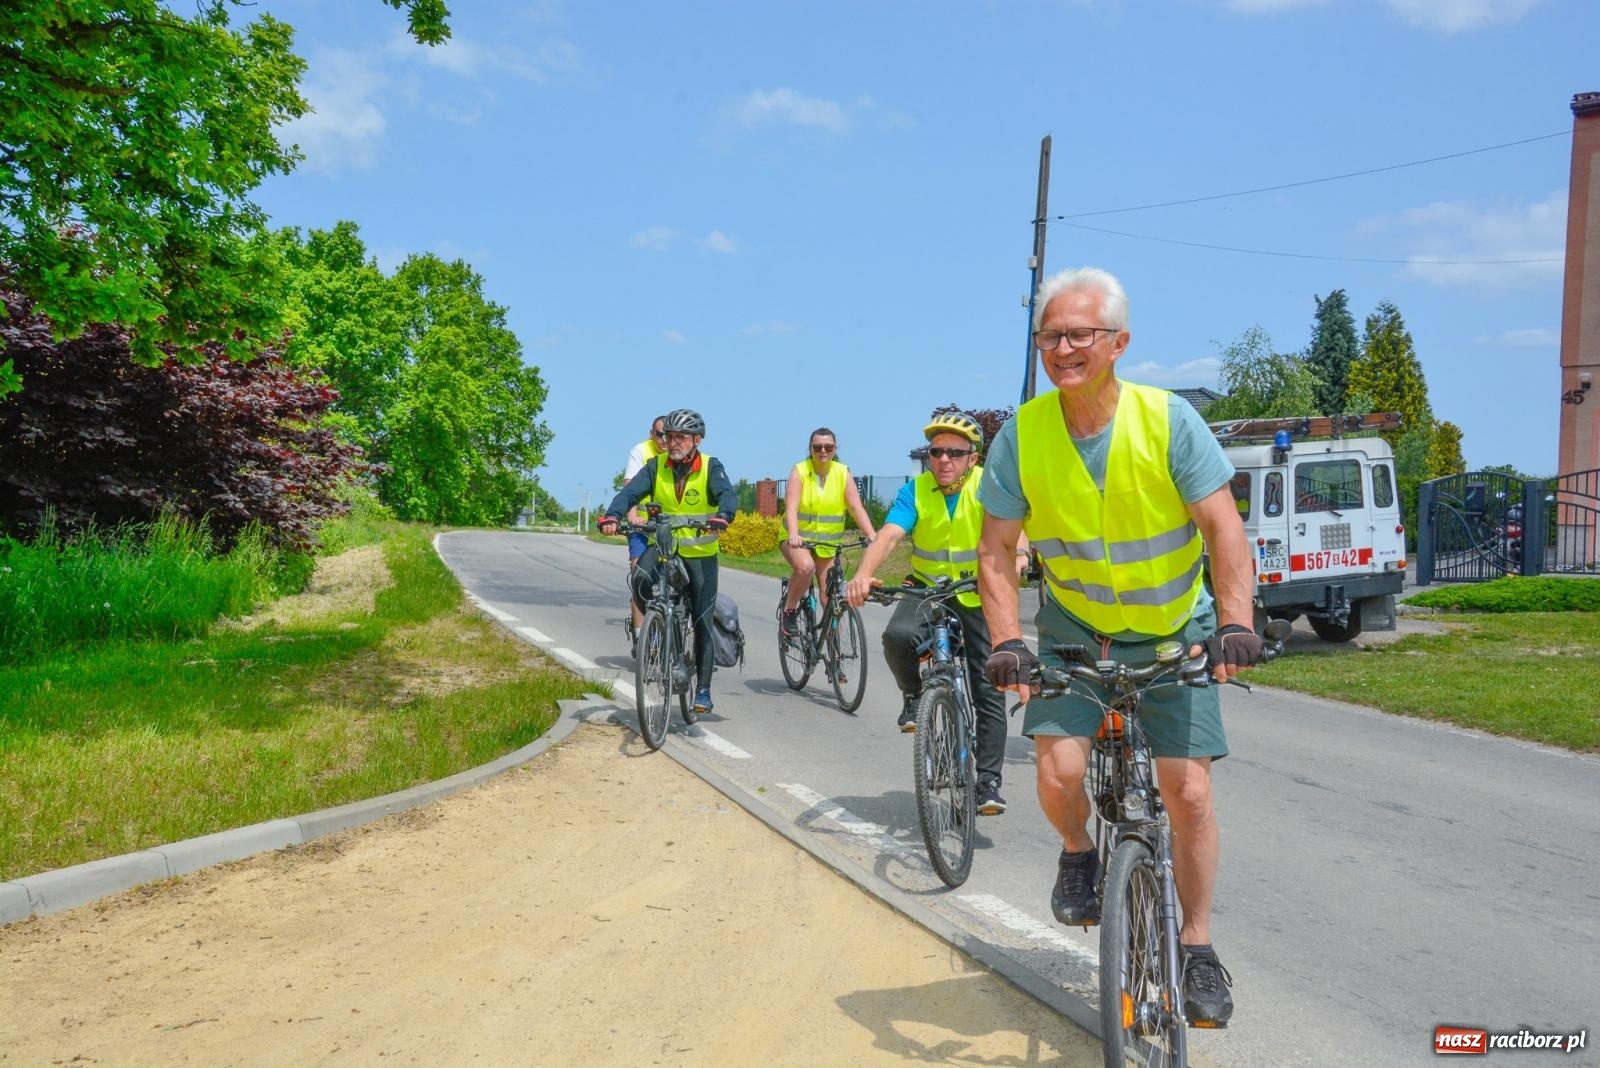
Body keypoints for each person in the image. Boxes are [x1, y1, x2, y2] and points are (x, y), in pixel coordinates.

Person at [975, 267, 1266, 1029]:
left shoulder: (1168, 421)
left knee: (1189, 793)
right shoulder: (1022, 435)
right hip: (1076, 631)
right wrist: (1007, 639)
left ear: (1118, 342)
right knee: (1058, 772)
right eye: (1050, 336)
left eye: (1080, 334)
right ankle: (1079, 852)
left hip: (1176, 631)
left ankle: (1196, 945)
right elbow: (996, 550)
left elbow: (1224, 531)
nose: (1063, 348)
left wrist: (1236, 622)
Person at [846, 412, 1022, 816]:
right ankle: (913, 695)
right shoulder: (915, 491)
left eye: (954, 453)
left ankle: (988, 781)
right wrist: (863, 575)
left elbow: (1016, 526)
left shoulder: (989, 485)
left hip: (978, 591)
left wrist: (1022, 553)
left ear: (973, 458)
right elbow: (889, 535)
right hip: (928, 587)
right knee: (897, 636)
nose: (943, 460)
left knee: (988, 685)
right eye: (936, 452)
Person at [599, 409, 736, 714]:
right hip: (663, 548)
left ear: (696, 440)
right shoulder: (656, 466)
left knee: (701, 619)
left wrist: (723, 516)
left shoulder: (711, 467)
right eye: (668, 436)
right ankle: (660, 628)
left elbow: (727, 495)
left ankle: (703, 690)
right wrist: (612, 516)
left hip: (700, 555)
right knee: (640, 581)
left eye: (680, 437)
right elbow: (629, 494)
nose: (672, 442)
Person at [780, 428, 877, 638]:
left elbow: (855, 507)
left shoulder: (842, 472)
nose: (823, 451)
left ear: (834, 449)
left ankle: (834, 650)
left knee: (830, 599)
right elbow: (792, 506)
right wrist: (794, 534)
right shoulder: (800, 470)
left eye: (828, 447)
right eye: (817, 447)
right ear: (810, 449)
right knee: (805, 567)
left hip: (827, 545)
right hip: (797, 540)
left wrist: (872, 535)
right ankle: (789, 611)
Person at [622, 415, 667, 640]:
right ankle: (641, 637)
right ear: (652, 434)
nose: (665, 440)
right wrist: (632, 516)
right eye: (660, 434)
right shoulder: (640, 451)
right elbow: (630, 487)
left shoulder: (678, 453)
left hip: (667, 528)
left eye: (670, 435)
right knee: (639, 577)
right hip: (642, 527)